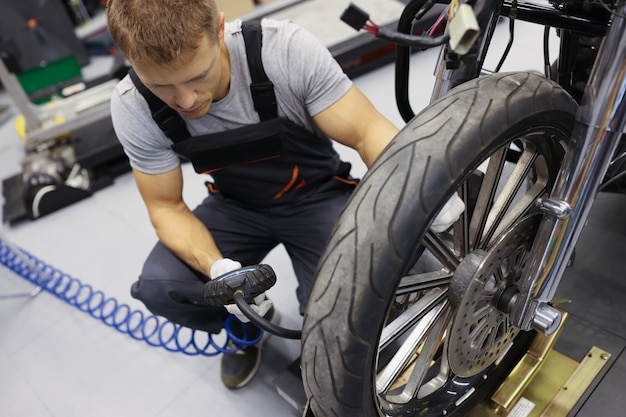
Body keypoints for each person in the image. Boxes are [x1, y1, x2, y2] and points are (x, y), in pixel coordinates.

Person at [106, 0, 462, 389]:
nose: (187, 101)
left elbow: (365, 130)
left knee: (333, 323)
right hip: (236, 206)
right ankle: (246, 324)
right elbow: (165, 205)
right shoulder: (133, 105)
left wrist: (425, 186)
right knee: (161, 286)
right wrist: (218, 272)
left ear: (220, 29)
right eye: (162, 86)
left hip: (317, 197)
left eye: (198, 75)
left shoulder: (282, 52)